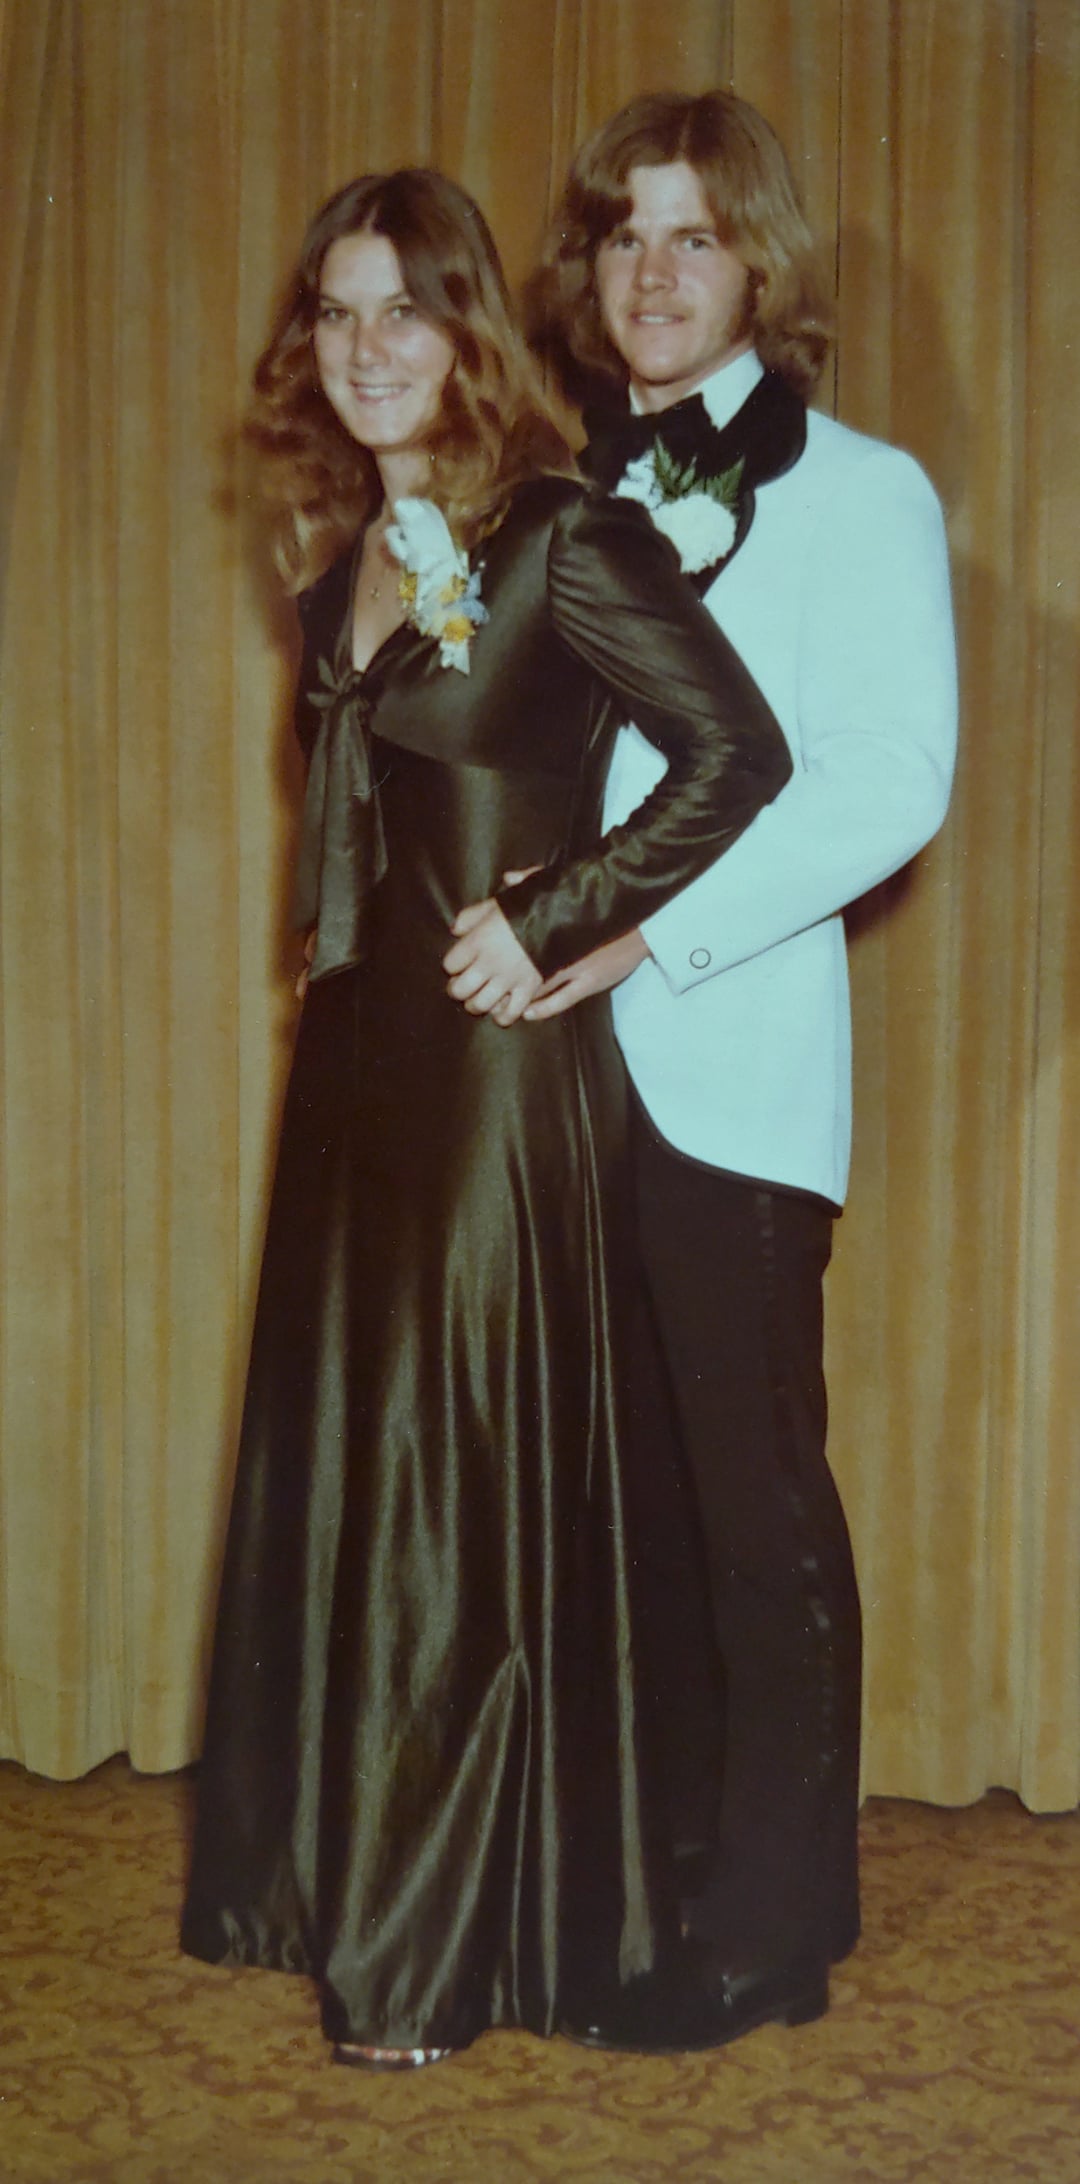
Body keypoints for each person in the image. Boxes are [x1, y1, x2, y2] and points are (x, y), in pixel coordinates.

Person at [180, 166, 791, 2070]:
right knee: (363, 1467)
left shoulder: (558, 535)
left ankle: (436, 1948)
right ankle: (339, 1886)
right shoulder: (336, 564)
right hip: (356, 1082)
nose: (368, 349)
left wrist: (560, 919)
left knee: (449, 1489)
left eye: (407, 312)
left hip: (496, 1086)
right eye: (338, 313)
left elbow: (739, 753)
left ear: (466, 336)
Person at [523, 90, 958, 2046]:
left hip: (732, 1069)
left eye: (692, 234)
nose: (652, 272)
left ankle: (774, 1924)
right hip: (538, 1083)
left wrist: (640, 936)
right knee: (605, 1502)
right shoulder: (549, 493)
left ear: (757, 264)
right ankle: (643, 1885)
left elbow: (886, 785)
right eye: (623, 235)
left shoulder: (865, 492)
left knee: (749, 1497)